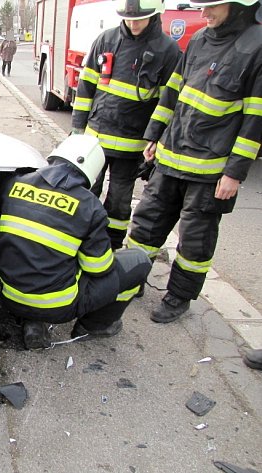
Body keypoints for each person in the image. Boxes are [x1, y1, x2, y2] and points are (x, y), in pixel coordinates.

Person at [127, 0, 262, 323]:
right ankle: (131, 279)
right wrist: (154, 135)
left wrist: (235, 173)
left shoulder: (256, 46)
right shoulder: (200, 39)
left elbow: (255, 119)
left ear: (238, 5)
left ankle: (178, 297)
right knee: (146, 223)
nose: (203, 14)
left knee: (196, 240)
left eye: (211, 7)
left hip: (210, 170)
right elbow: (172, 93)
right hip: (171, 157)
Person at [0, 135, 152, 349]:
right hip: (57, 307)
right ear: (93, 172)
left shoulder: (15, 184)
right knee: (138, 262)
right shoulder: (90, 207)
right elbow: (99, 269)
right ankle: (95, 326)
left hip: (8, 296)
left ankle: (33, 320)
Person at [71, 0, 181, 251]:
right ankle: (78, 242)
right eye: (128, 18)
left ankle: (110, 249)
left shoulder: (167, 51)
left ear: (154, 15)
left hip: (132, 147)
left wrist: (156, 141)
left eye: (139, 19)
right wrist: (78, 128)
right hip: (94, 141)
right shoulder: (106, 40)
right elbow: (86, 86)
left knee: (119, 204)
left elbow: (168, 104)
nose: (133, 23)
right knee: (84, 193)